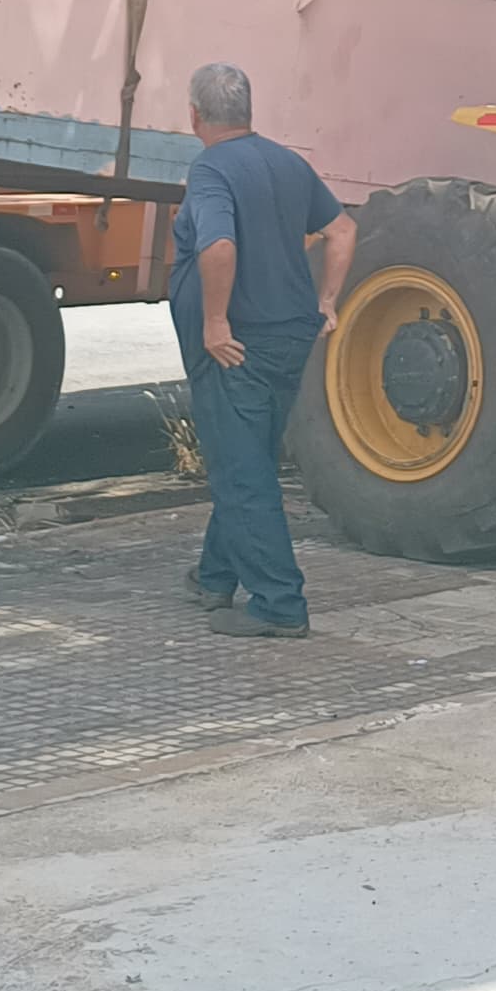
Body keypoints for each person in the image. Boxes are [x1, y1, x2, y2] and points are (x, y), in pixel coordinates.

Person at [170, 62, 355, 639]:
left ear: (194, 116)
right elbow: (343, 230)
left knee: (241, 472)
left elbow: (218, 243)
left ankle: (278, 603)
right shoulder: (289, 163)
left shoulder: (210, 172)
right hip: (289, 336)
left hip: (238, 346)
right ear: (247, 111)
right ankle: (215, 576)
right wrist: (327, 301)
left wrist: (216, 321)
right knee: (246, 455)